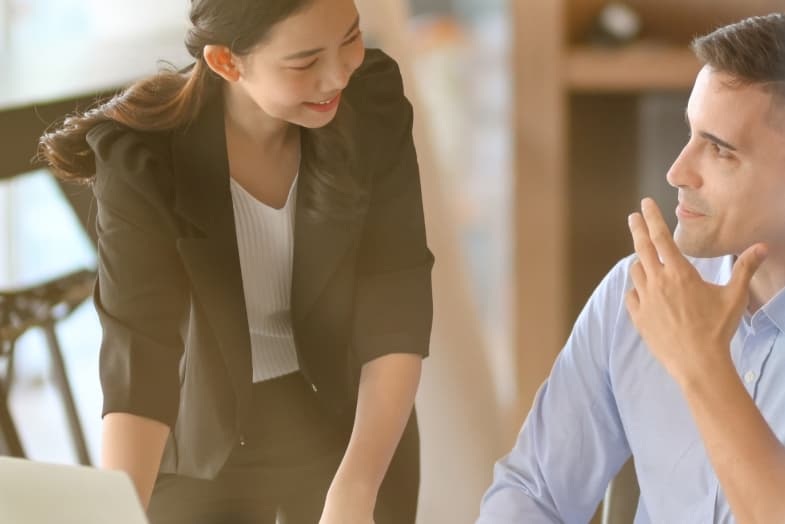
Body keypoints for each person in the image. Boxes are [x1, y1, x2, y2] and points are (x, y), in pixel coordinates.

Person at [38, 1, 434, 523]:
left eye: (351, 37)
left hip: (348, 420)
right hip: (204, 433)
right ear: (227, 62)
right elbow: (141, 353)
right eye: (304, 61)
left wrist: (355, 490)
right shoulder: (143, 160)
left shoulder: (371, 100)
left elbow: (396, 303)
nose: (338, 72)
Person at [477, 12, 785, 524]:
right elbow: (536, 492)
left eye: (720, 150)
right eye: (691, 134)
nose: (678, 171)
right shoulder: (639, 289)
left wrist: (700, 361)